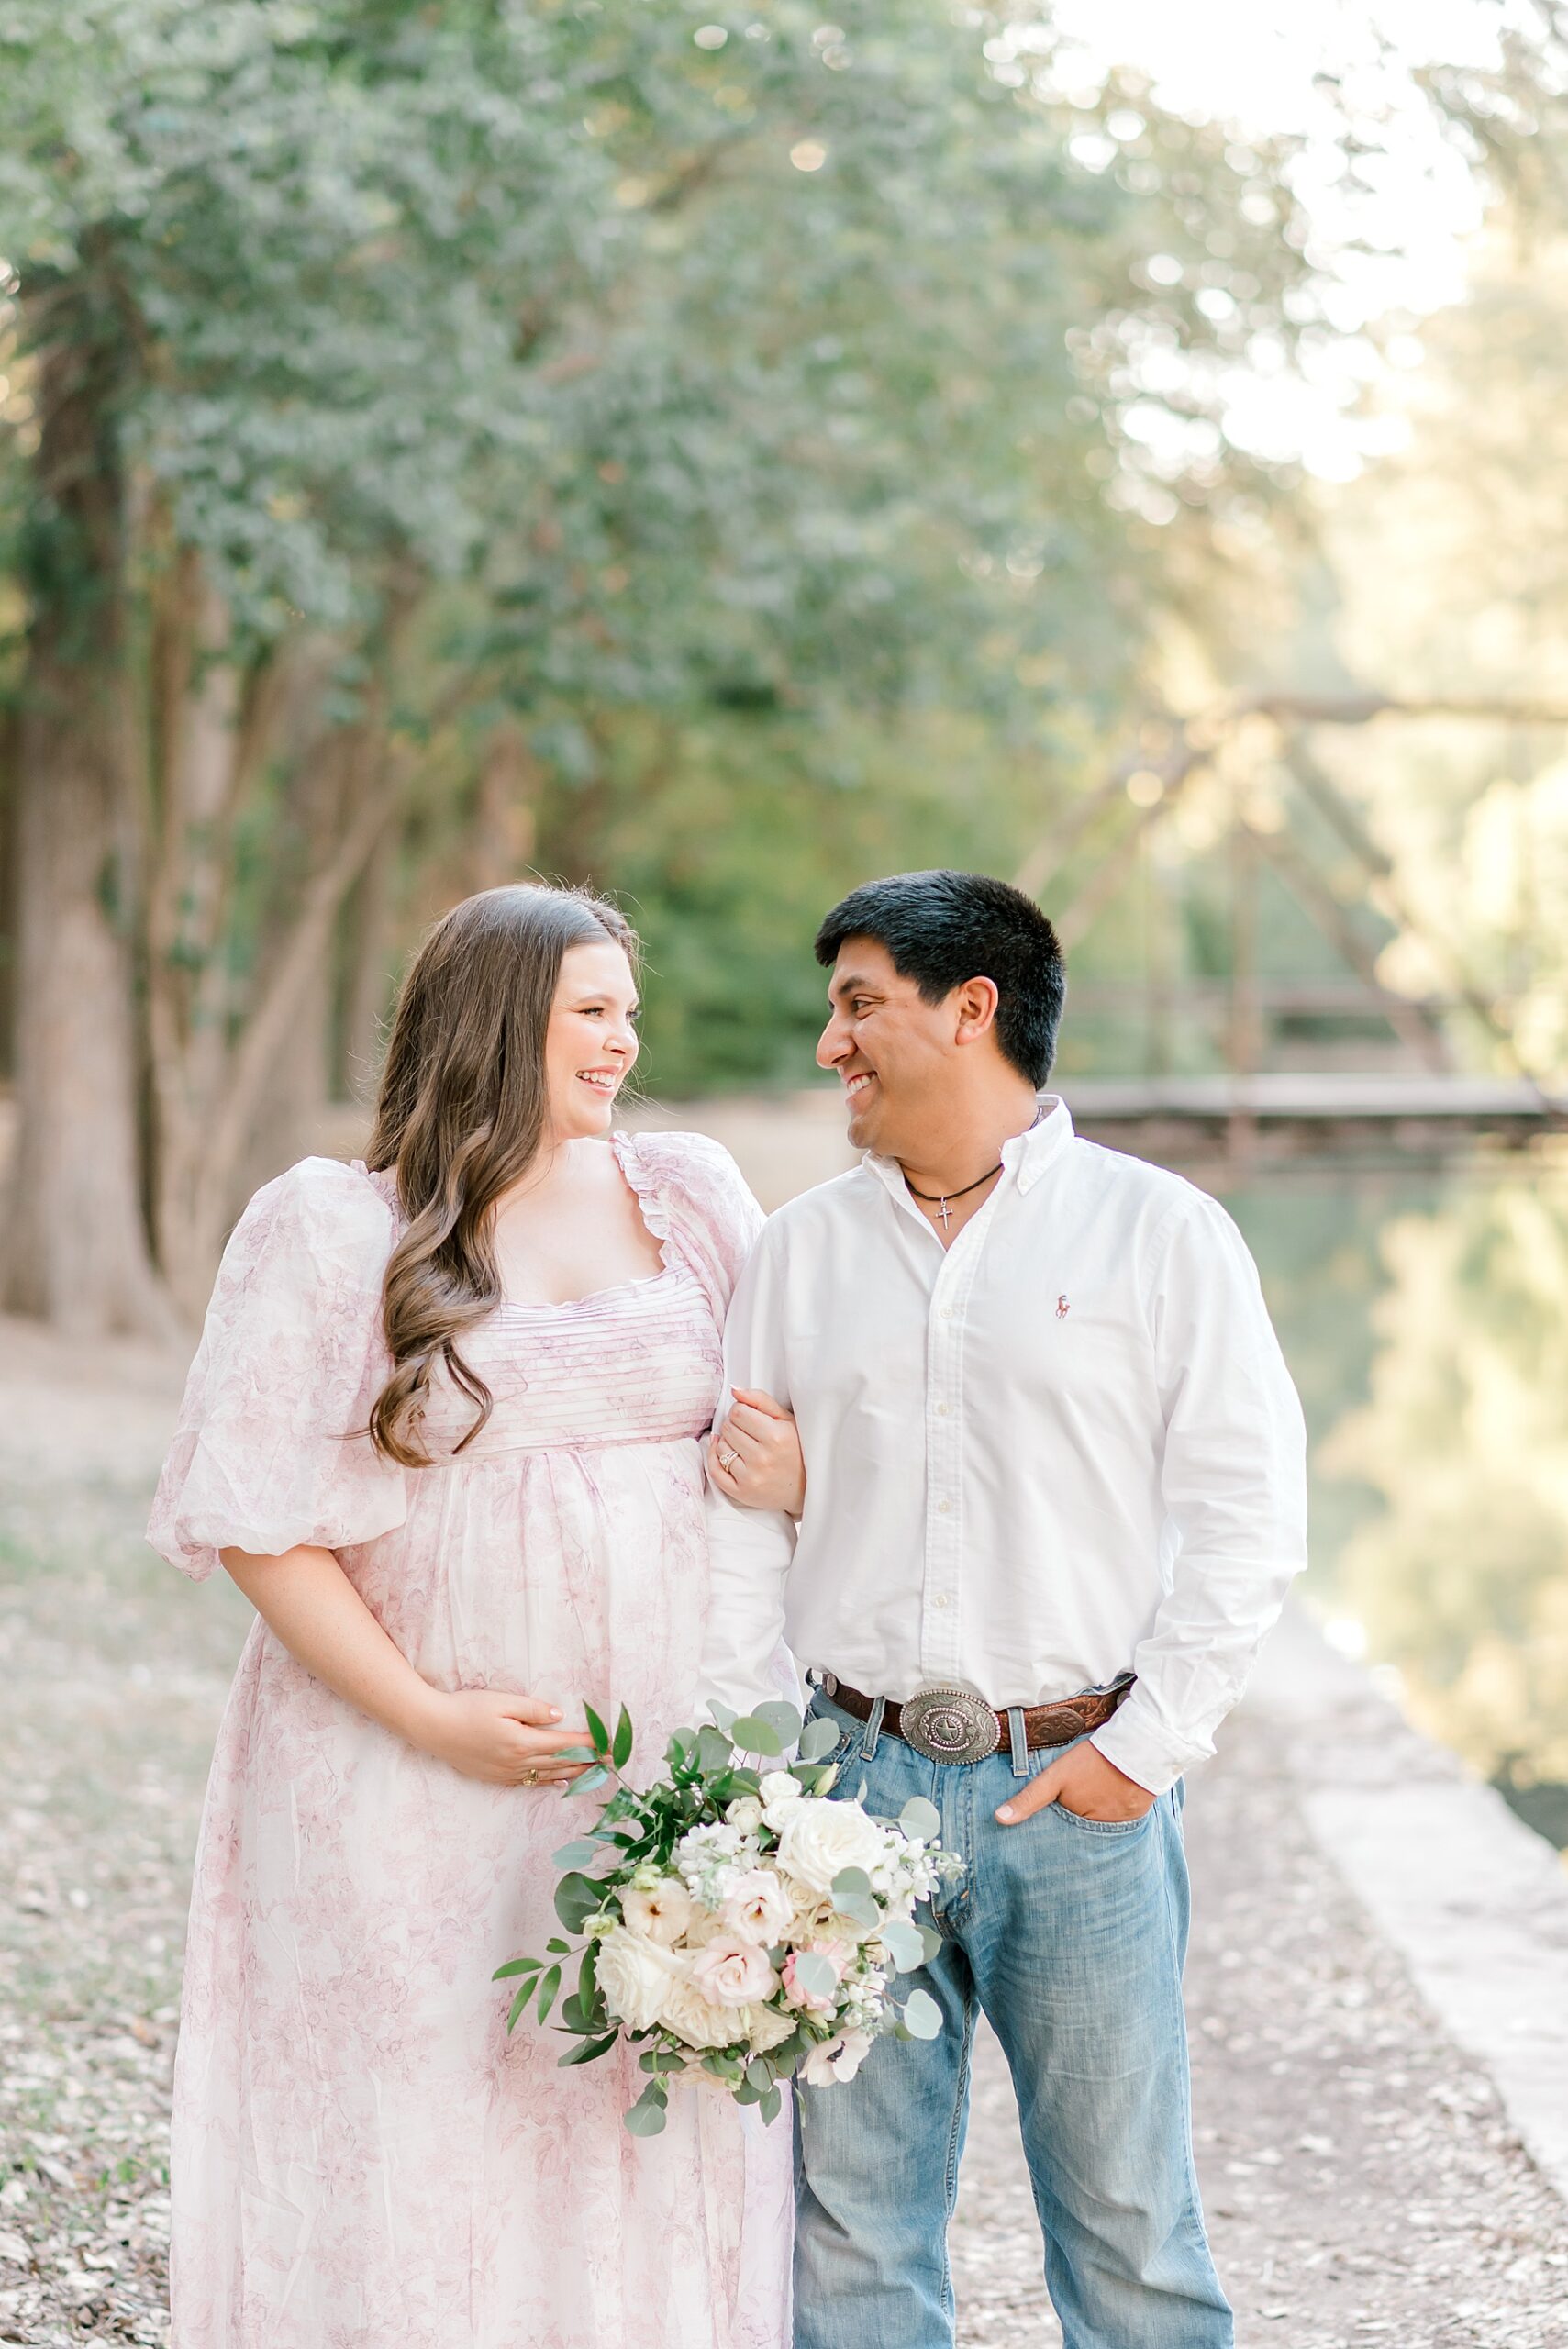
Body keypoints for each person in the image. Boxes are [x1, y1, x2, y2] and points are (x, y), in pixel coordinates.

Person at [149, 883, 806, 2349]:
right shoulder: (334, 1226)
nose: (624, 1041)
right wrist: (432, 1718)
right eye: (592, 1009)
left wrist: (804, 1468)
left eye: (628, 1011)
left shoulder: (691, 1196)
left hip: (650, 1756)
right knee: (421, 2102)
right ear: (499, 1019)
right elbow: (265, 1528)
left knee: (626, 2095)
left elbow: (797, 1420)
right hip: (401, 1766)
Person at [702, 868, 1308, 2349]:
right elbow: (738, 1534)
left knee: (1127, 2232)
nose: (830, 1045)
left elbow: (1250, 1516)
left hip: (1078, 1790)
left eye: (860, 1006)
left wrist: (1143, 1752)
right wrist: (753, 1776)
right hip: (844, 1796)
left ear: (970, 1010)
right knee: (849, 2236)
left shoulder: (1161, 1237)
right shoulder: (796, 1251)